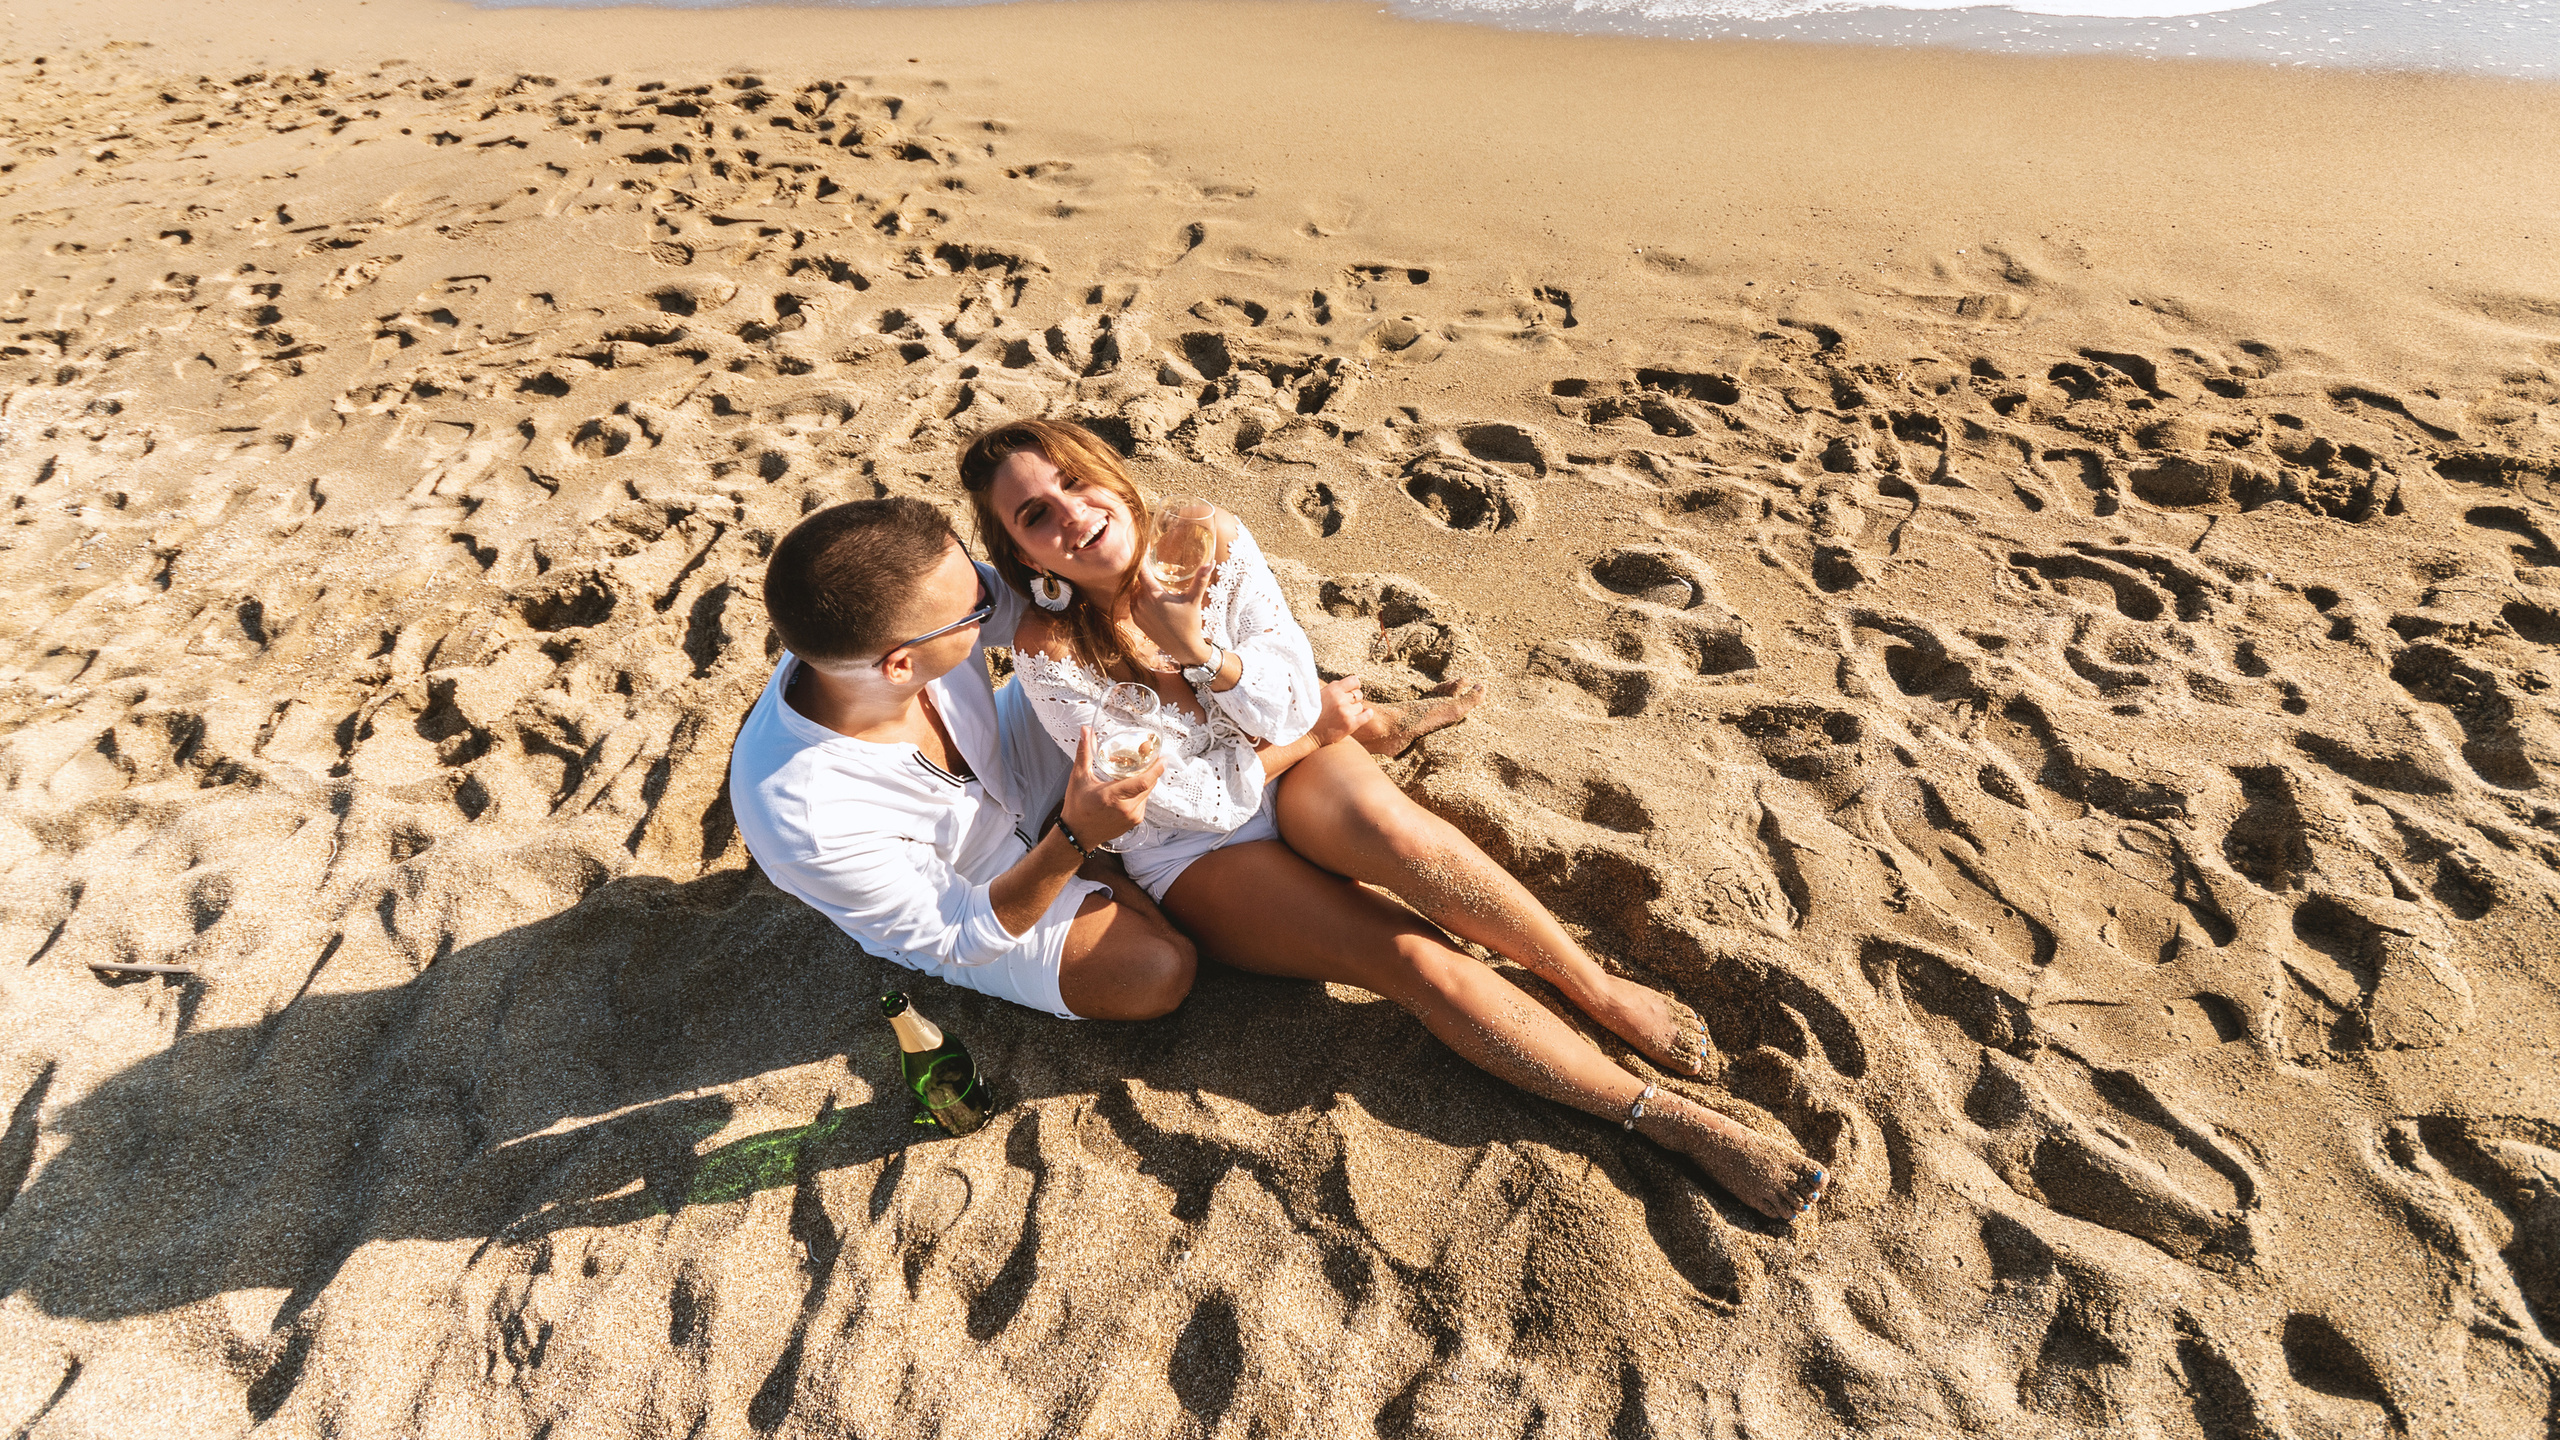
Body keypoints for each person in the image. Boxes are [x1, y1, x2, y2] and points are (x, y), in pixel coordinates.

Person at [959, 419, 1829, 1222]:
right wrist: (1311, 732)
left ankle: (1590, 985)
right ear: (1024, 552)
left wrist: (1200, 652)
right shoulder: (1048, 648)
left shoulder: (1210, 534)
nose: (1072, 514)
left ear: (1108, 469)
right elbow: (1192, 802)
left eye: (1076, 480)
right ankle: (1664, 1117)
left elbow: (1292, 692)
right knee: (1404, 953)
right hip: (1192, 853)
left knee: (1410, 841)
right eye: (1037, 514)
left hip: (1281, 764)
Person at [727, 495, 1197, 1023]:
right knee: (1157, 969)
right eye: (974, 611)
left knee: (1117, 677)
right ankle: (1102, 854)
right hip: (968, 882)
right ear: (899, 666)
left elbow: (1041, 605)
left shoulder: (918, 606)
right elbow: (959, 930)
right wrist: (1074, 837)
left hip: (1010, 751)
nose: (988, 599)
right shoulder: (808, 817)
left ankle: (1110, 853)